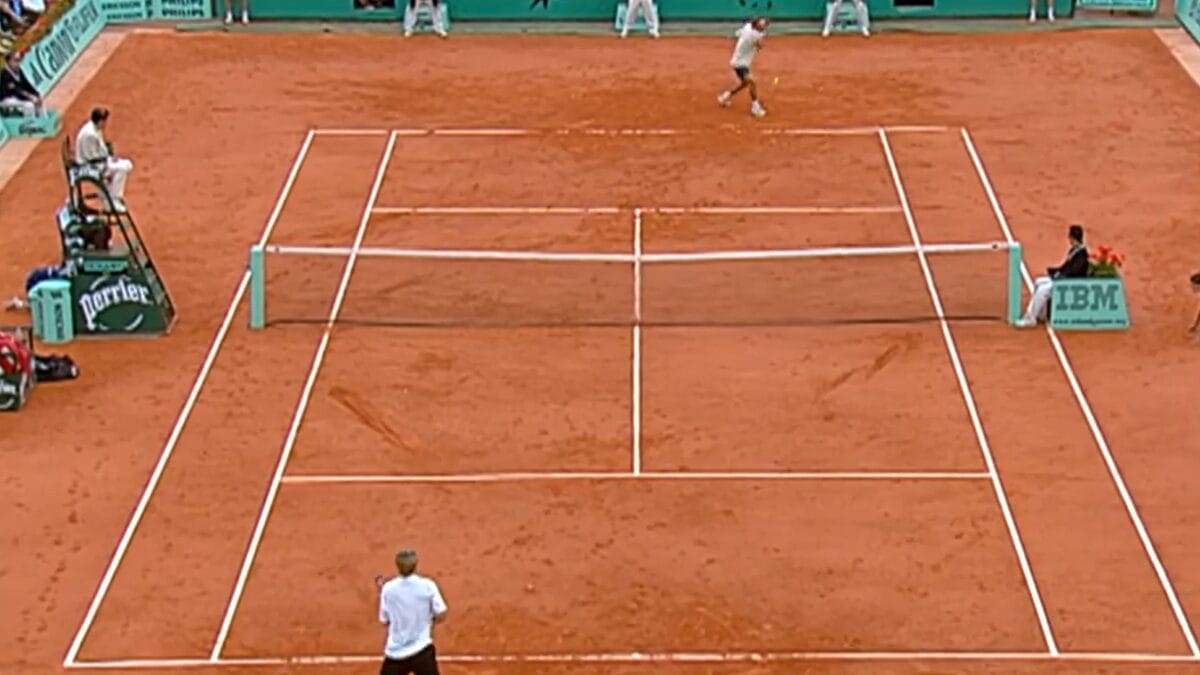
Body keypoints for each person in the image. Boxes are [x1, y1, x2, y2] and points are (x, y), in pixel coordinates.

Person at [377, 549, 448, 675]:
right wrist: (429, 619)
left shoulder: (388, 589)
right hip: (422, 652)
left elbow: (384, 620)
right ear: (415, 565)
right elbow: (441, 613)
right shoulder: (428, 585)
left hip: (396, 654)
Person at [1016, 224, 1089, 328]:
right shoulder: (1074, 250)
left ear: (1072, 237)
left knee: (1043, 290)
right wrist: (1055, 271)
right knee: (1039, 282)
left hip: (1069, 283)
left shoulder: (1082, 254)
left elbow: (1074, 271)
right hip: (1063, 278)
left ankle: (1030, 318)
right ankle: (1041, 314)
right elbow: (1066, 267)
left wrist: (1059, 275)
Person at [75, 107, 134, 213]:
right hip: (89, 166)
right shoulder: (90, 135)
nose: (106, 124)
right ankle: (113, 200)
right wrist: (108, 160)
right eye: (105, 121)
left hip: (98, 161)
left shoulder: (94, 129)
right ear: (100, 121)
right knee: (123, 169)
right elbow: (91, 157)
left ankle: (109, 197)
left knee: (127, 164)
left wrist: (109, 158)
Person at [716, 17, 768, 119]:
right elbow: (760, 45)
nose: (763, 27)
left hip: (738, 60)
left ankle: (724, 97)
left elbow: (738, 33)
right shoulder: (755, 35)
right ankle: (755, 108)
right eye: (761, 25)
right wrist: (761, 38)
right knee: (752, 81)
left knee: (744, 83)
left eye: (764, 25)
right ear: (756, 25)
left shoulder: (748, 26)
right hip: (740, 63)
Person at [0, 51, 41, 116]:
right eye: (16, 60)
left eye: (19, 60)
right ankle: (29, 124)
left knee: (37, 98)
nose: (18, 63)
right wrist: (29, 97)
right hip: (6, 100)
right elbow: (15, 91)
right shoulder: (5, 74)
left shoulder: (19, 70)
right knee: (29, 105)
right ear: (9, 61)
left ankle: (40, 120)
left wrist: (36, 94)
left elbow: (26, 84)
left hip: (16, 98)